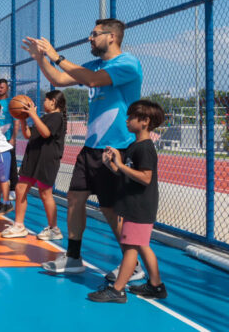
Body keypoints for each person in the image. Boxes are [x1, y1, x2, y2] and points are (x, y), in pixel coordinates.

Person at [23, 18, 144, 277]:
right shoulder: (94, 65)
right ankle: (74, 257)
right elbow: (58, 78)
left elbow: (91, 81)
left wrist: (57, 56)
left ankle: (133, 265)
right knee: (75, 198)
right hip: (91, 147)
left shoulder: (128, 64)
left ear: (111, 37)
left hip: (116, 148)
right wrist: (41, 58)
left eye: (94, 34)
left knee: (111, 209)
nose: (90, 38)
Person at [88, 100, 167, 303]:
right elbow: (128, 175)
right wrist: (112, 165)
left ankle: (117, 290)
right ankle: (156, 286)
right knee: (141, 245)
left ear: (144, 121)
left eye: (131, 117)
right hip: (136, 203)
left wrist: (120, 165)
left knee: (131, 246)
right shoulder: (135, 146)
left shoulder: (145, 148)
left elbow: (146, 177)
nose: (127, 120)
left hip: (139, 205)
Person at [1, 90, 67, 240]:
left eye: (46, 100)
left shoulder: (57, 117)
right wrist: (23, 118)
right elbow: (28, 135)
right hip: (33, 157)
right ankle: (19, 225)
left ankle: (54, 229)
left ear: (53, 102)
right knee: (20, 188)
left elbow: (46, 133)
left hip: (47, 160)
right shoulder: (44, 117)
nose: (43, 103)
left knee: (45, 193)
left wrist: (33, 115)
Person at [0, 79, 20, 201]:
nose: (0, 89)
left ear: (7, 89)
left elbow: (16, 121)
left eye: (2, 87)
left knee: (11, 164)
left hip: (8, 138)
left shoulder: (12, 103)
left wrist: (14, 138)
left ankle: (13, 189)